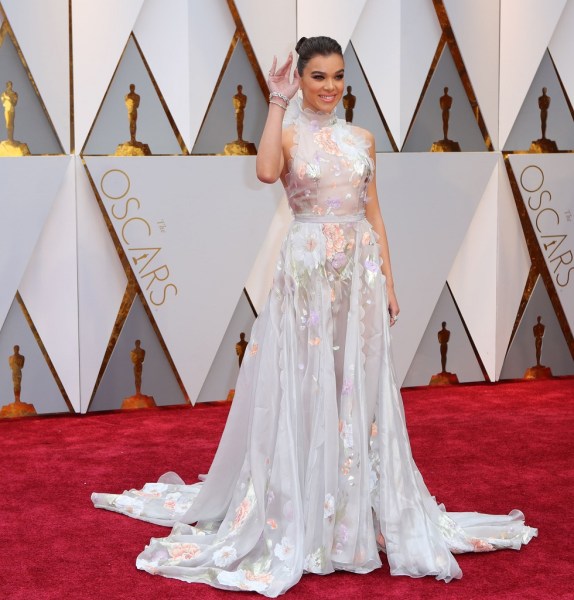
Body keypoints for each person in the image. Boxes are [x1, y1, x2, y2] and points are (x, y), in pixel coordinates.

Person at [92, 36, 536, 596]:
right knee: (305, 381)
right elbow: (264, 170)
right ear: (301, 79)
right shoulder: (290, 133)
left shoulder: (363, 139)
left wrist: (391, 282)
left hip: (361, 273)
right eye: (319, 76)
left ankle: (352, 505)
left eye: (338, 76)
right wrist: (276, 103)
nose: (330, 87)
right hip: (306, 275)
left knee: (357, 385)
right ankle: (303, 500)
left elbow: (374, 210)